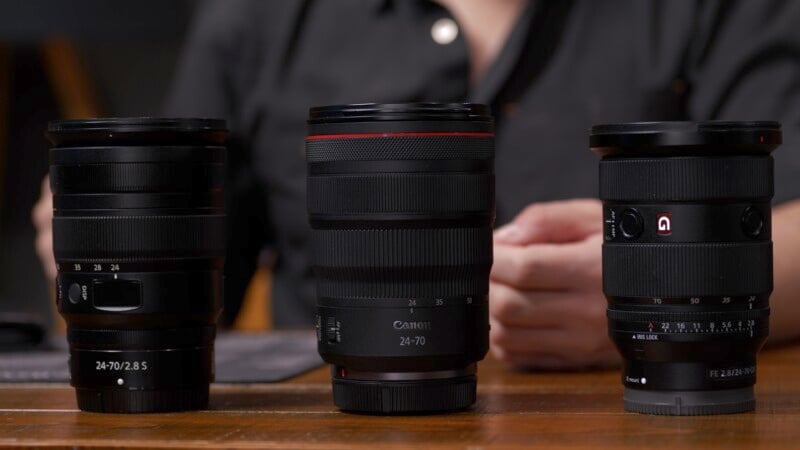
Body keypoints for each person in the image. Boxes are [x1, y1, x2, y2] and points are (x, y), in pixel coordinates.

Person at [32, 0, 800, 370]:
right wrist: (99, 235)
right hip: (333, 417)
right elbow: (176, 259)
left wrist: (661, 298)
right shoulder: (258, 15)